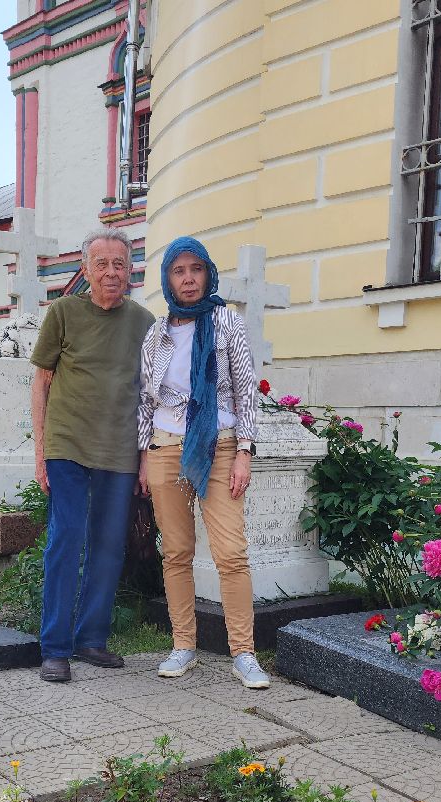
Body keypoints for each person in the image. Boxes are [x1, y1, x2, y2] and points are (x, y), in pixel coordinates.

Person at [137, 237, 269, 689]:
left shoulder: (227, 322)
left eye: (196, 269)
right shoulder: (156, 333)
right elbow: (144, 400)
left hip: (221, 447)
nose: (188, 279)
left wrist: (245, 451)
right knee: (176, 553)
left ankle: (244, 653)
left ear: (208, 273)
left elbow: (246, 390)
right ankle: (184, 645)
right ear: (167, 279)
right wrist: (144, 456)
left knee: (231, 553)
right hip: (164, 449)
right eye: (179, 270)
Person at [30, 226, 153, 682]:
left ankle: (91, 639)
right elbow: (41, 383)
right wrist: (41, 452)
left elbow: (150, 395)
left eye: (119, 264)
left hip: (120, 451)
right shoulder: (63, 312)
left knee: (108, 545)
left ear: (131, 271)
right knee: (66, 540)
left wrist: (145, 457)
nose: (110, 272)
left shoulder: (144, 323)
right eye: (101, 264)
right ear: (85, 269)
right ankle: (55, 647)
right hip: (68, 446)